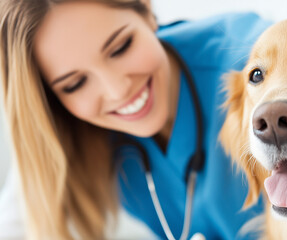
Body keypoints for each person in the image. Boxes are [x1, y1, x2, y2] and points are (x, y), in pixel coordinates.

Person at [0, 0, 272, 239]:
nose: (117, 90)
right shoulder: (69, 133)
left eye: (120, 47)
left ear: (146, 9)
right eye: (75, 84)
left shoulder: (258, 68)